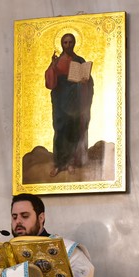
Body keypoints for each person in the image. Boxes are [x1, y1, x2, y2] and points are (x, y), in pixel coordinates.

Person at [44, 33, 94, 177]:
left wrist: (84, 82)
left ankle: (71, 162)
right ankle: (59, 164)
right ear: (61, 44)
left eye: (70, 42)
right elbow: (50, 82)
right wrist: (53, 66)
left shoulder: (79, 60)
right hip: (60, 99)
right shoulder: (57, 61)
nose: (68, 45)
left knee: (73, 129)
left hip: (75, 100)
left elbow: (88, 80)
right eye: (65, 42)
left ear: (74, 43)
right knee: (60, 130)